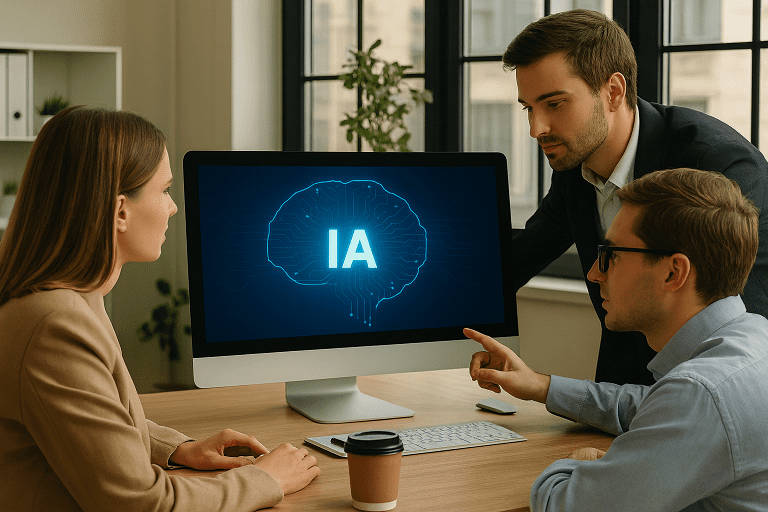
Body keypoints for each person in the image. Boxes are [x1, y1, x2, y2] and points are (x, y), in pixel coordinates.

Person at [0, 106, 320, 511]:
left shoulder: (74, 299)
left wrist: (178, 448)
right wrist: (264, 479)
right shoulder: (55, 325)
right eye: (165, 190)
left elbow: (87, 422)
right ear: (120, 211)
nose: (172, 207)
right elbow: (142, 503)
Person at [466, 168, 768, 511]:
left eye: (611, 255)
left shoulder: (700, 395)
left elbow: (563, 505)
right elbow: (651, 404)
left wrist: (576, 464)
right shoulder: (755, 337)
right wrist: (542, 386)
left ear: (673, 272)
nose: (595, 273)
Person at [504, 9, 768, 385]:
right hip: (617, 394)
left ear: (614, 91)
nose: (536, 129)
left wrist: (549, 389)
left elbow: (737, 333)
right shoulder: (575, 165)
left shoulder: (717, 165)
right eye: (529, 108)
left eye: (554, 104)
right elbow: (521, 255)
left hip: (715, 394)